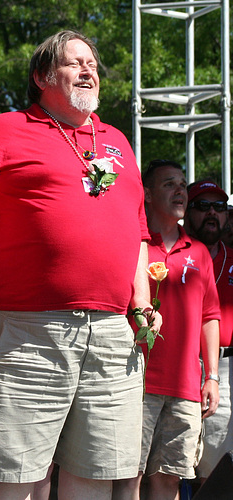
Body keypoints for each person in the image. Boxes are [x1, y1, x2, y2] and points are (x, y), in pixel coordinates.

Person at [0, 30, 156, 500]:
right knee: (14, 476)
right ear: (42, 76)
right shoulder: (0, 133)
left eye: (93, 63)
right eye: (75, 62)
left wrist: (141, 304)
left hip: (110, 334)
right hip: (24, 331)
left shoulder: (119, 143)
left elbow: (138, 234)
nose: (90, 70)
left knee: (96, 474)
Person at [114, 161, 220, 500]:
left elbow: (210, 315)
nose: (180, 191)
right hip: (135, 381)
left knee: (170, 479)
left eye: (183, 185)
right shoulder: (132, 246)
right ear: (146, 194)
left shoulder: (200, 252)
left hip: (186, 386)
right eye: (169, 184)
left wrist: (212, 377)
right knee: (129, 475)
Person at [184, 179, 233, 482]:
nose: (212, 213)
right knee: (171, 468)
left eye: (219, 207)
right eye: (202, 206)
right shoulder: (174, 255)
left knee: (217, 471)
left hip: (226, 370)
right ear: (186, 212)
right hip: (180, 366)